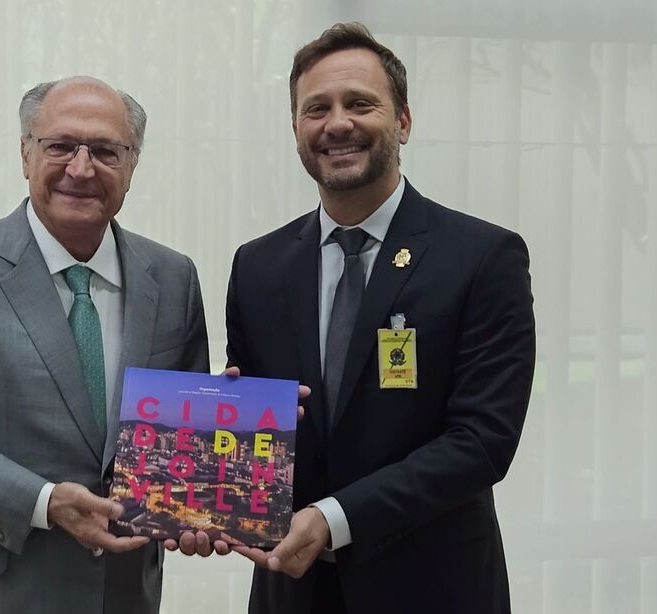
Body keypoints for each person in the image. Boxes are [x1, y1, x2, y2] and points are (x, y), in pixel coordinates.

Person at [225, 23, 536, 613]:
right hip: (291, 591)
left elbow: (482, 441)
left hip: (435, 590)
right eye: (316, 108)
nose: (337, 123)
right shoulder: (257, 267)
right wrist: (218, 477)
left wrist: (335, 517)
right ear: (296, 130)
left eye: (360, 103)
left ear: (404, 122)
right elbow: (259, 435)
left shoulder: (482, 257)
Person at [0, 76, 209, 614]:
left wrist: (222, 436)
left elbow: (181, 450)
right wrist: (43, 503)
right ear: (25, 154)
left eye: (105, 151)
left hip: (124, 596)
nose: (81, 168)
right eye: (60, 146)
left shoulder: (172, 278)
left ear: (133, 164)